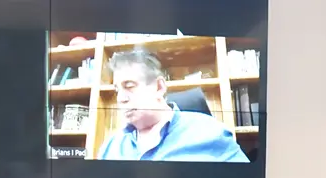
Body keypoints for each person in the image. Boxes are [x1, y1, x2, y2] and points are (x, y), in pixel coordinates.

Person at [98, 49, 246, 163]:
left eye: (129, 86)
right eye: (117, 90)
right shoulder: (110, 147)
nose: (121, 99)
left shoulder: (210, 132)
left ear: (159, 87)